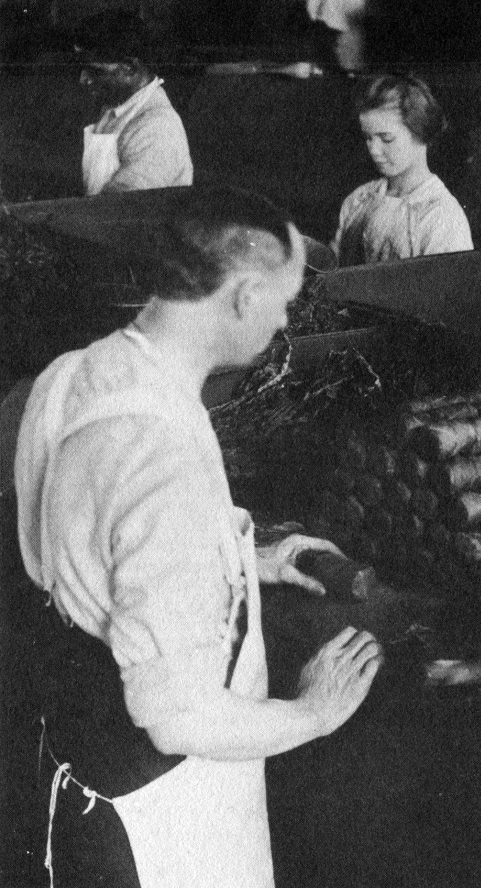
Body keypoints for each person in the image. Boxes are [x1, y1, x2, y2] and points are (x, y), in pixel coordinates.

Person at [14, 186, 382, 888]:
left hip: (76, 741)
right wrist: (310, 714)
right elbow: (179, 719)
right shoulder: (164, 455)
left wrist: (249, 561)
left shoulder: (71, 376)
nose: (283, 322)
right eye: (284, 299)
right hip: (154, 804)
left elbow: (93, 540)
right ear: (243, 296)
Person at [331, 74, 473, 266]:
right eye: (367, 137)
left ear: (420, 131)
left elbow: (447, 293)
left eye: (386, 139)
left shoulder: (440, 216)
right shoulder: (358, 200)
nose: (373, 150)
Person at [80, 54, 193, 195]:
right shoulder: (117, 107)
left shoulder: (158, 126)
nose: (84, 80)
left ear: (129, 68)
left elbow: (124, 208)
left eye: (96, 71)